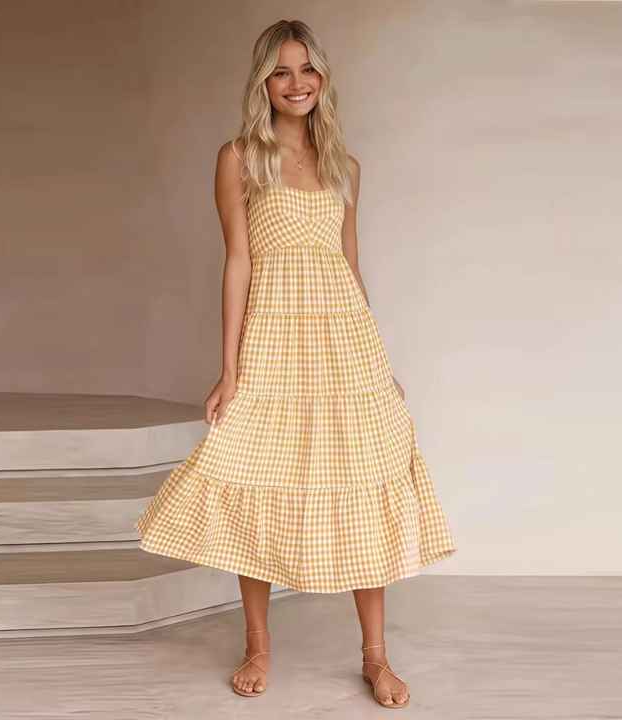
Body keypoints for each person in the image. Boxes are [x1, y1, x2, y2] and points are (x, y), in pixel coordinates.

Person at [135, 18, 456, 709]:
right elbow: (238, 262)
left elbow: (350, 267)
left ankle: (375, 656)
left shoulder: (346, 167)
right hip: (274, 339)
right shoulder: (239, 159)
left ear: (322, 77)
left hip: (344, 345)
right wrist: (229, 370)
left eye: (306, 68)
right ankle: (258, 646)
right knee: (257, 477)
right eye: (281, 71)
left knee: (361, 477)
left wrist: (377, 361)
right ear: (263, 82)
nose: (296, 82)